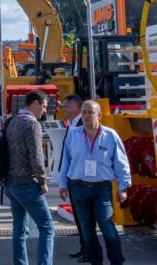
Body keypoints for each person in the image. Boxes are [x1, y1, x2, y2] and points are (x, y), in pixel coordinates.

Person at [59, 101, 132, 265]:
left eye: (90, 112)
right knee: (86, 230)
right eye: (84, 112)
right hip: (78, 187)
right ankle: (95, 261)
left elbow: (121, 163)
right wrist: (63, 184)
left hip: (101, 188)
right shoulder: (74, 134)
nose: (85, 116)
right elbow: (66, 161)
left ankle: (117, 261)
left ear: (99, 115)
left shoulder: (110, 135)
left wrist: (123, 188)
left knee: (107, 227)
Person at [5, 90, 54, 265]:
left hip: (10, 182)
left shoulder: (11, 122)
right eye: (44, 106)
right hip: (26, 183)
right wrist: (42, 181)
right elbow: (37, 157)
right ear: (35, 104)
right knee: (47, 227)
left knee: (19, 229)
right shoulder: (32, 124)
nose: (45, 111)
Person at [60, 94, 89, 261]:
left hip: (82, 177)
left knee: (85, 217)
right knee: (79, 216)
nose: (64, 109)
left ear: (75, 107)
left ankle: (89, 249)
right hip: (72, 176)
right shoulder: (71, 124)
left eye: (66, 106)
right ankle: (83, 247)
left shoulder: (82, 124)